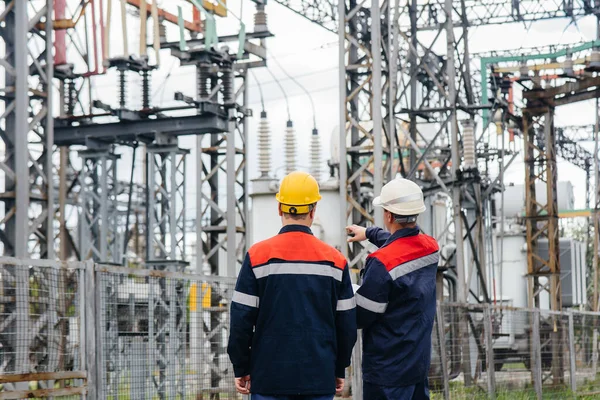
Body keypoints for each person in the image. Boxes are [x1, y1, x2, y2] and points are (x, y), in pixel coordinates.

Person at [227, 171, 357, 400]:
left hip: (269, 379)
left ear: (280, 208)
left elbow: (241, 319)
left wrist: (241, 366)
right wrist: (338, 368)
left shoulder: (258, 256)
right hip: (319, 377)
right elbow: (346, 324)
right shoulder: (336, 261)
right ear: (313, 210)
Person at [346, 178, 439, 400]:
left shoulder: (381, 262)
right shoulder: (431, 248)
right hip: (417, 364)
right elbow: (403, 244)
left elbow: (362, 316)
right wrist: (369, 233)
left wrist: (345, 295)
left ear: (388, 216)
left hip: (387, 371)